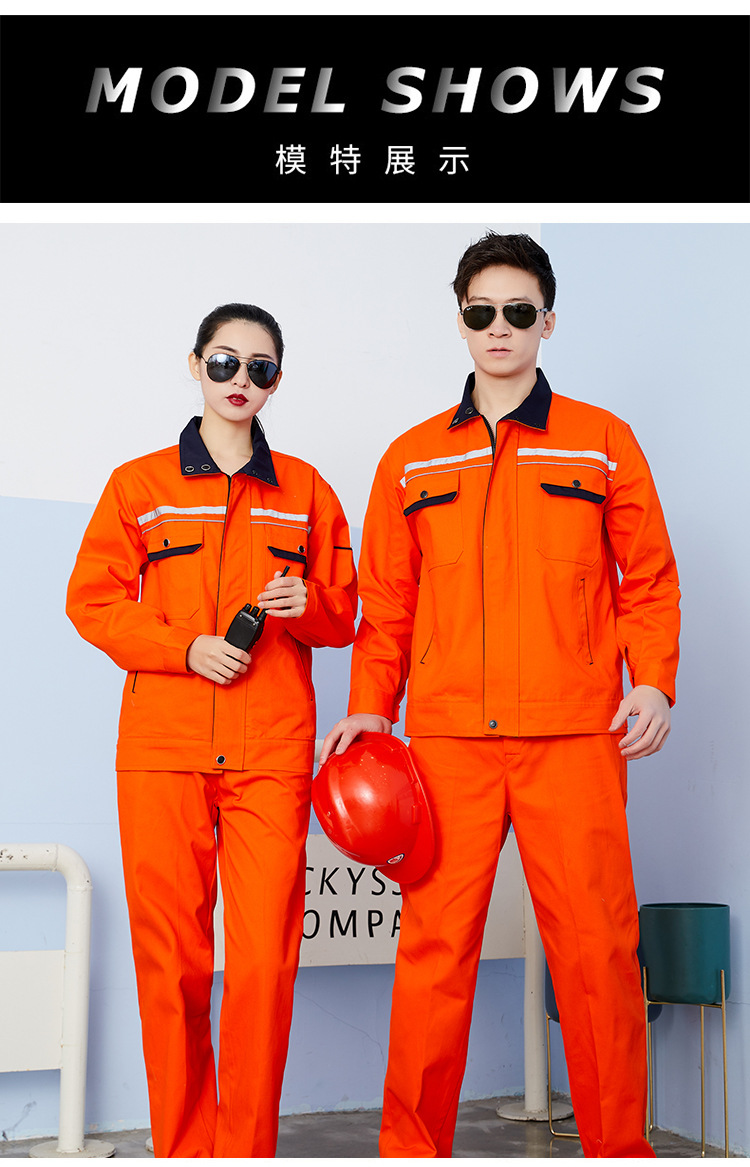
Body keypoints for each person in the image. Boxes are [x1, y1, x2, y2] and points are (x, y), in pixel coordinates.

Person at [321, 233, 680, 1159]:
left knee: (597, 956)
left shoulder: (602, 441)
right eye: (482, 311)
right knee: (434, 954)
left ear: (548, 322)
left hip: (576, 734)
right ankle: (412, 1150)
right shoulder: (411, 458)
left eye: (520, 311)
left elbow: (647, 576)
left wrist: (653, 679)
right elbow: (387, 603)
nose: (500, 328)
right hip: (449, 744)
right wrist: (371, 703)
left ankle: (619, 1151)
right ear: (461, 321)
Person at [67, 303, 358, 1158]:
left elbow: (345, 613)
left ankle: (246, 1150)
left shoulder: (305, 490)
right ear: (194, 364)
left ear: (277, 381)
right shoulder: (139, 485)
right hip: (164, 750)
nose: (240, 380)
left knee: (264, 963)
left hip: (271, 750)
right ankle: (184, 1149)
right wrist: (183, 647)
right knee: (172, 963)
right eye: (225, 361)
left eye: (259, 368)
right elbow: (92, 600)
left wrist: (309, 604)